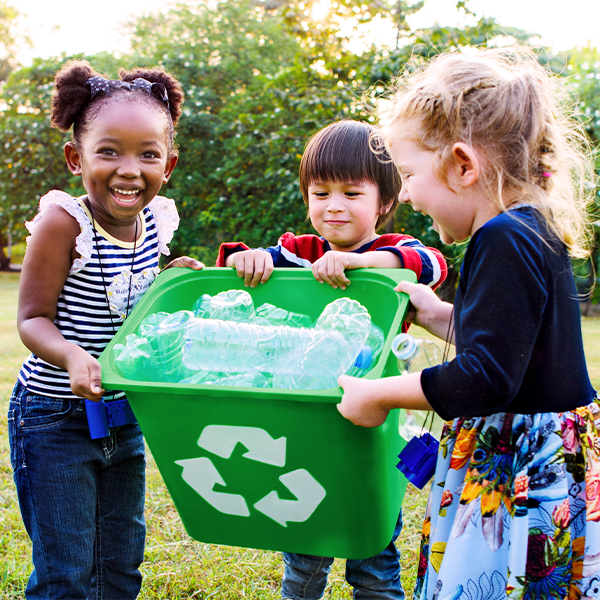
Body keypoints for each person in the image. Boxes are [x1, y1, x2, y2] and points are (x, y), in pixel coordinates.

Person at [336, 47, 600, 600]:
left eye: (408, 174)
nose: (404, 192)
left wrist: (380, 394)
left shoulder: (501, 238)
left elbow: (485, 376)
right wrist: (437, 315)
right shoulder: (529, 226)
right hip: (549, 450)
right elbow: (514, 346)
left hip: (522, 461)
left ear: (462, 165)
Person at [217, 119, 448, 600]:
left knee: (374, 556)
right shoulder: (300, 253)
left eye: (351, 193)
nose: (334, 206)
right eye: (320, 193)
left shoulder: (391, 251)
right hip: (303, 426)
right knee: (304, 550)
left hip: (371, 429)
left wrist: (357, 262)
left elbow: (428, 263)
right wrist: (248, 260)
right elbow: (244, 269)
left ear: (384, 201)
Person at [9, 60, 202, 599]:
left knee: (121, 562)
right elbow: (32, 319)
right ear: (77, 157)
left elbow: (130, 302)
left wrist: (170, 280)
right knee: (67, 570)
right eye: (109, 151)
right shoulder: (62, 224)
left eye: (148, 154)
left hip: (124, 415)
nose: (128, 169)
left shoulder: (157, 221)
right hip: (54, 419)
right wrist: (71, 356)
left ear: (169, 163)